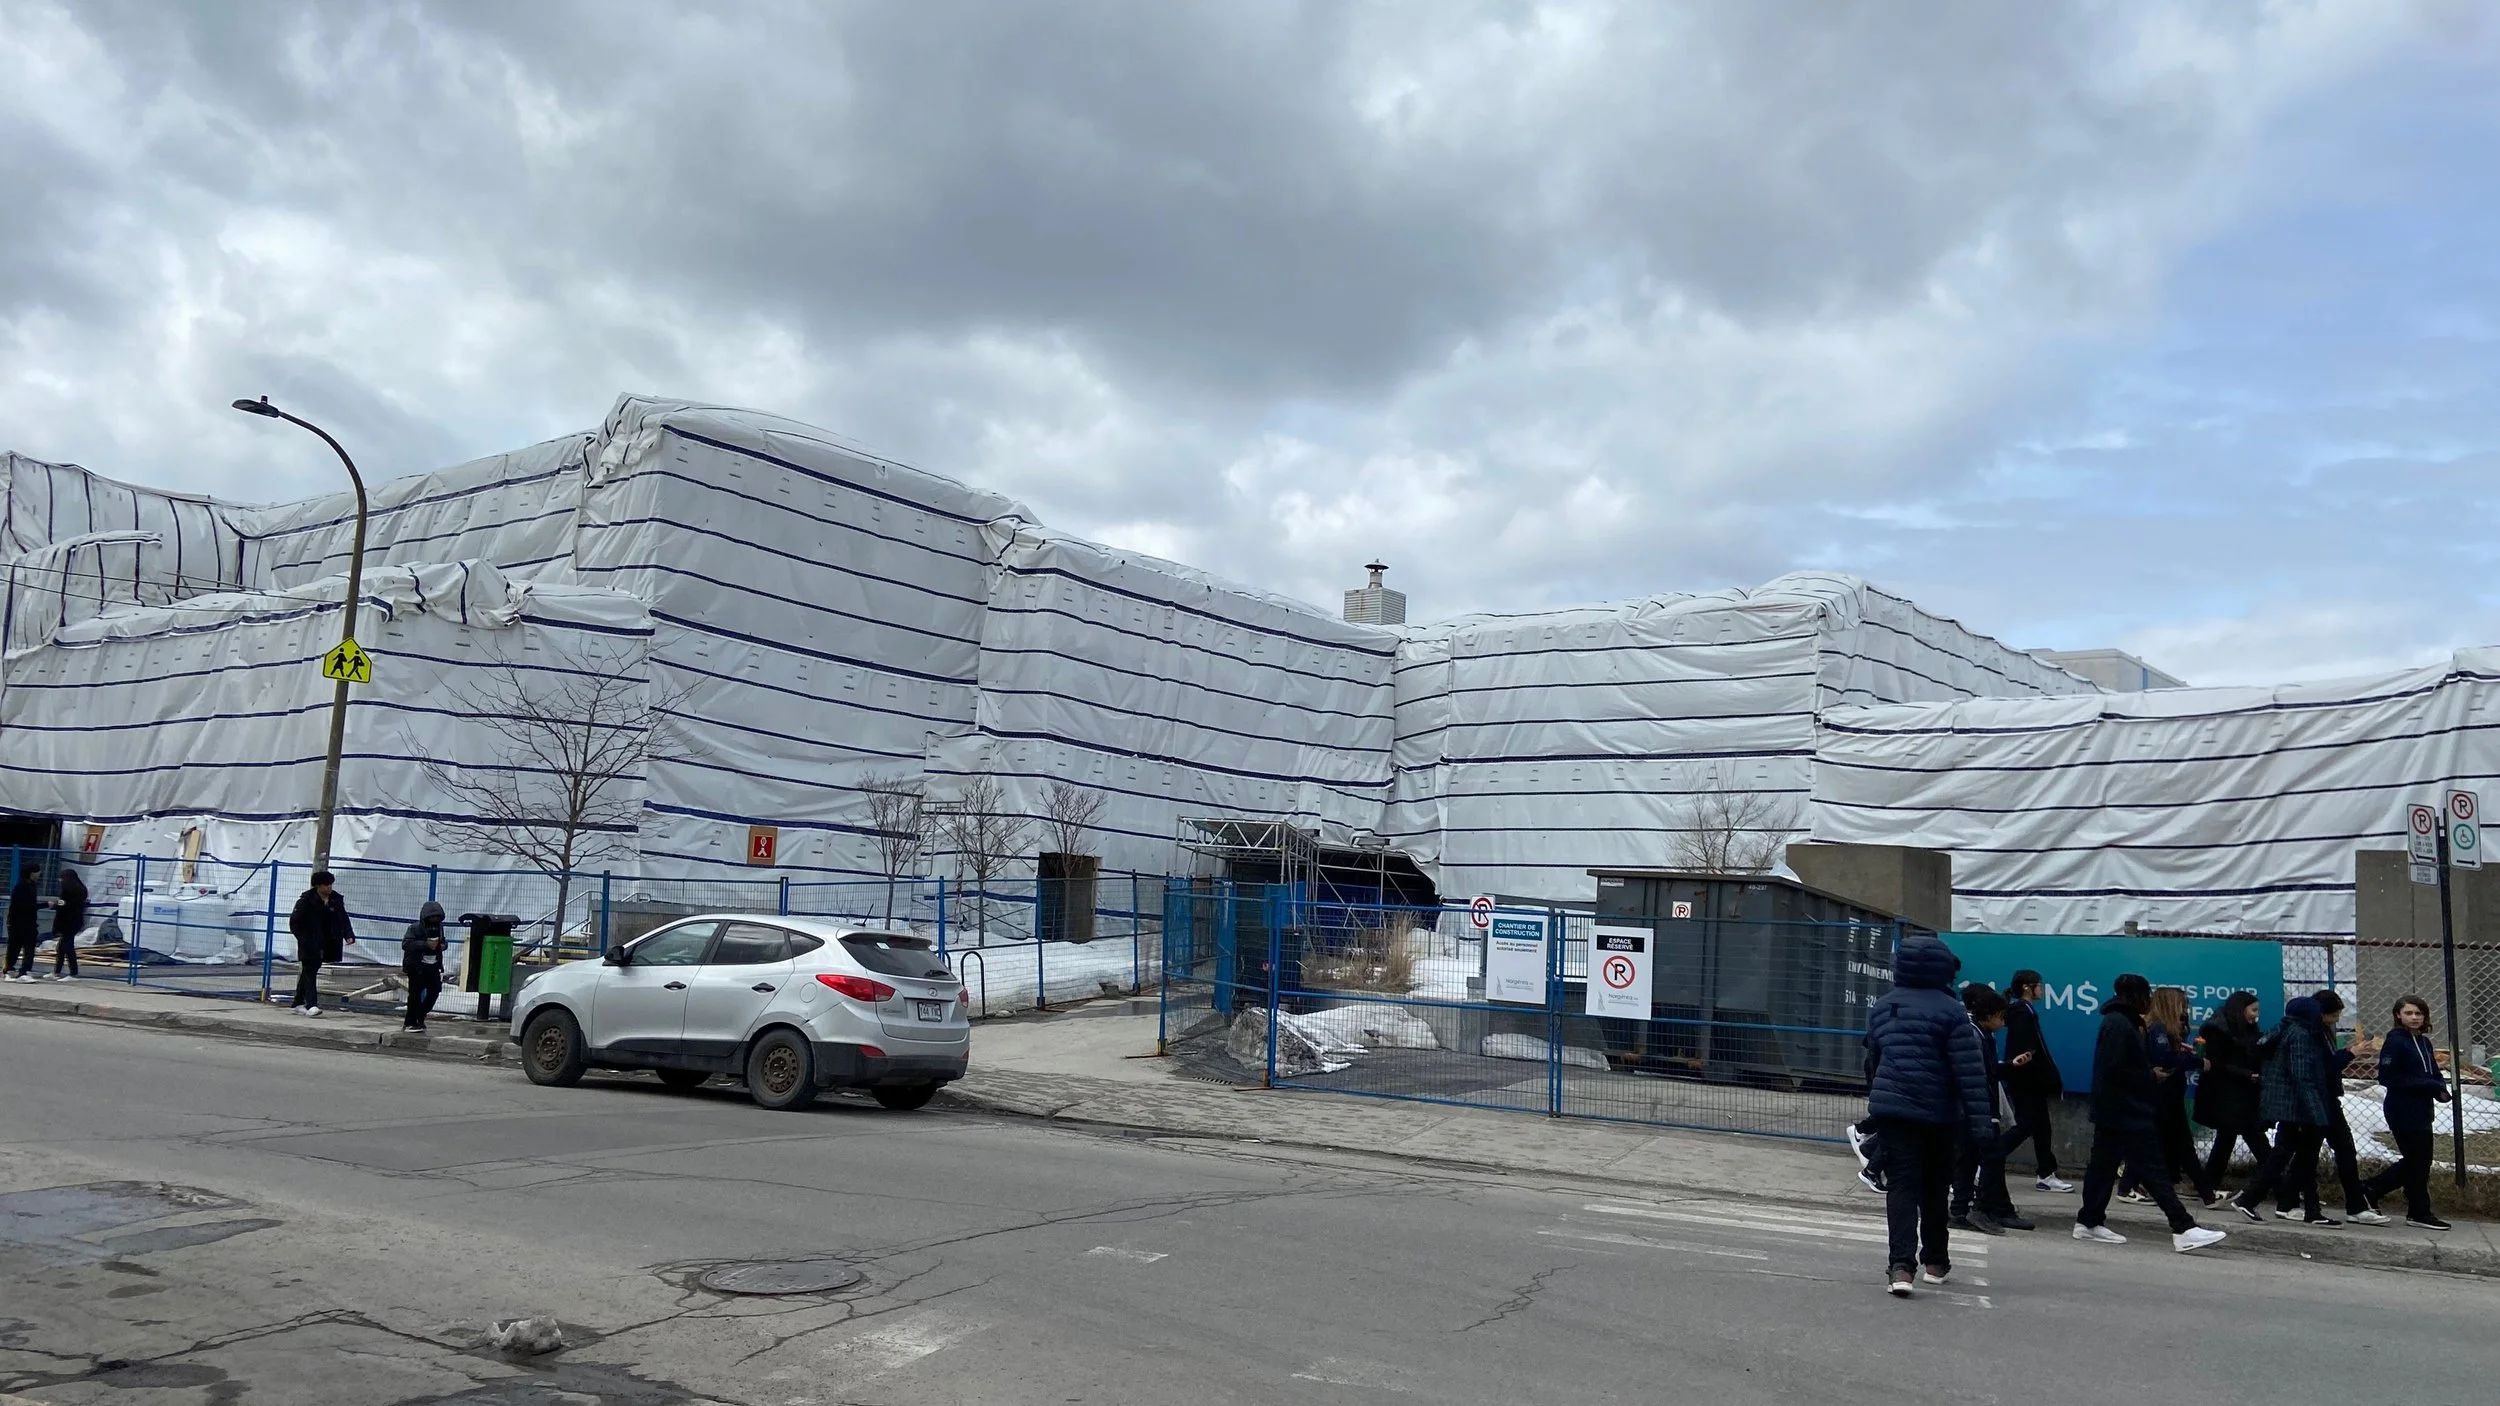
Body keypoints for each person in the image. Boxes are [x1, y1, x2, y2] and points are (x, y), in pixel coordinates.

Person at [1863, 932, 1993, 1296]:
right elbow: (1969, 1073)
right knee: (1935, 1186)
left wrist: (1881, 1097)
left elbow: (1872, 1060)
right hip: (1939, 1113)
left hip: (1893, 1111)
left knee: (1901, 1185)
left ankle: (1901, 1268)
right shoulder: (1952, 1011)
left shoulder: (1882, 1007)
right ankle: (1935, 1261)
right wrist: (1982, 1125)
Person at [2073, 973, 2228, 1252]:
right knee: (2152, 1169)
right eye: (2146, 996)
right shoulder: (2120, 1025)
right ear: (2136, 996)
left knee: (2103, 1167)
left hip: (2115, 1108)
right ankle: (2183, 1227)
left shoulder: (2121, 1022)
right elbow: (2115, 1068)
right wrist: (2149, 1075)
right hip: (2126, 1109)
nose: (2149, 1001)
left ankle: (2089, 1221)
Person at [2234, 995, 2339, 1225]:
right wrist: (2317, 1112)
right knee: (2286, 1157)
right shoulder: (2301, 1035)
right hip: (2299, 1108)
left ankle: (2311, 1210)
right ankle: (2249, 1199)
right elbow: (2302, 1076)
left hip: (2290, 1105)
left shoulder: (2284, 1030)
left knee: (2301, 1157)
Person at [2281, 991, 2384, 1225]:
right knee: (2308, 1154)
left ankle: (2355, 1205)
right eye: (2333, 1015)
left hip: (2328, 1099)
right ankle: (2291, 1202)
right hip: (2317, 1100)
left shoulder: (2324, 1032)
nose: (2336, 1020)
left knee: (2343, 1149)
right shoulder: (2308, 1034)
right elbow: (2323, 1068)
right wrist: (2350, 1054)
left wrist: (2346, 1053)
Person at [2358, 995, 2453, 1231]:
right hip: (2402, 1108)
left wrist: (2440, 1088)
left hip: (2423, 1109)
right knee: (2417, 1161)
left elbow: (2433, 1072)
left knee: (2420, 1162)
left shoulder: (2424, 1042)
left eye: (2418, 1013)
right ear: (2398, 1015)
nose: (2414, 1017)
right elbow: (2388, 1077)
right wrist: (2428, 1085)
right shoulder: (2395, 1042)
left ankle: (2409, 1206)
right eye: (2408, 1013)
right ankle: (2375, 1190)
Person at [1949, 983, 2035, 1233]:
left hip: (1976, 1110)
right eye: (2001, 1017)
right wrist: (1986, 1115)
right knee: (1987, 1158)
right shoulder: (1974, 1036)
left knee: (1970, 1160)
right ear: (1990, 1015)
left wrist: (2009, 1065)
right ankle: (1977, 1208)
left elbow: (1987, 1072)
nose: (2003, 1022)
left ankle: (1963, 1209)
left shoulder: (1982, 1035)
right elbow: (1977, 1077)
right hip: (1976, 1110)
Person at [2120, 986, 2210, 1204]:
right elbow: (2165, 1058)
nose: (2185, 1009)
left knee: (2164, 1141)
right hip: (2161, 1092)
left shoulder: (2167, 1028)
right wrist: (2196, 1061)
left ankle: (2203, 1190)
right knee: (2166, 1142)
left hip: (2170, 1092)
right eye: (2182, 1005)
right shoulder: (2158, 1028)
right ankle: (2206, 1192)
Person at [2194, 991, 2271, 1202]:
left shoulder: (2247, 1030)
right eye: (2253, 1010)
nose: (2256, 1015)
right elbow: (2216, 1064)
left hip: (2241, 1093)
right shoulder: (2218, 1031)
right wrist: (2247, 1075)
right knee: (2250, 1137)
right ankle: (2281, 1185)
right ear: (2241, 1009)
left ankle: (2209, 1185)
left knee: (2230, 1137)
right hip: (2226, 1093)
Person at [2001, 970, 2072, 1193]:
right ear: (2027, 988)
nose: (2042, 989)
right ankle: (1985, 1160)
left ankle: (2046, 1174)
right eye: (2039, 985)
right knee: (2025, 1125)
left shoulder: (2027, 1011)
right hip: (2025, 1081)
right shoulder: (2022, 1012)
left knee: (2042, 1127)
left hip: (2033, 1081)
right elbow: (2028, 1050)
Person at [287, 870, 353, 1016]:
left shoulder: (335, 899)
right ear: (318, 885)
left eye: (330, 884)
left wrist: (348, 935)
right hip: (310, 942)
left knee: (309, 970)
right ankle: (311, 1004)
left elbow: (342, 917)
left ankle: (298, 1002)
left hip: (328, 941)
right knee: (310, 970)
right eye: (325, 885)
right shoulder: (306, 901)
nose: (329, 887)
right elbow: (294, 922)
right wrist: (304, 939)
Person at [401, 900, 448, 1032]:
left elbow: (444, 941)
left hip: (433, 965)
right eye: (432, 917)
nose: (435, 920)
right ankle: (410, 1022)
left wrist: (442, 946)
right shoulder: (415, 928)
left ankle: (420, 1016)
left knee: (435, 990)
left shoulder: (439, 927)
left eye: (437, 917)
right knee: (415, 994)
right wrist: (425, 944)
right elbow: (406, 944)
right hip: (416, 966)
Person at [49, 865, 87, 980]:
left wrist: (56, 905)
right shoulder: (72, 889)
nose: (60, 881)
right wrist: (58, 904)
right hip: (69, 921)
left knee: (68, 947)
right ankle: (57, 971)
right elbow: (64, 902)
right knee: (61, 948)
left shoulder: (77, 891)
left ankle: (73, 973)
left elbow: (67, 904)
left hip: (71, 922)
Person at [6, 867, 39, 981]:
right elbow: (24, 906)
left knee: (29, 947)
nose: (38, 874)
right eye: (36, 872)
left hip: (30, 922)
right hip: (18, 922)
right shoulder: (20, 887)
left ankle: (25, 970)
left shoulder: (33, 886)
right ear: (31, 873)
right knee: (14, 947)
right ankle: (9, 969)